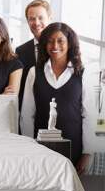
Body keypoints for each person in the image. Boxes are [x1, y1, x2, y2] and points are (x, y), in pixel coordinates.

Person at [20, 22, 92, 173]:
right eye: (50, 41)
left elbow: (89, 116)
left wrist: (87, 153)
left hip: (74, 148)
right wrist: (28, 148)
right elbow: (27, 115)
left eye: (60, 41)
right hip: (41, 149)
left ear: (70, 44)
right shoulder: (34, 72)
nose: (55, 45)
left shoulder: (83, 73)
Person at [16, 0, 52, 109]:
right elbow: (21, 87)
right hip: (30, 109)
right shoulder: (20, 51)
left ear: (50, 19)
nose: (36, 23)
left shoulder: (61, 48)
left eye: (41, 18)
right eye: (31, 19)